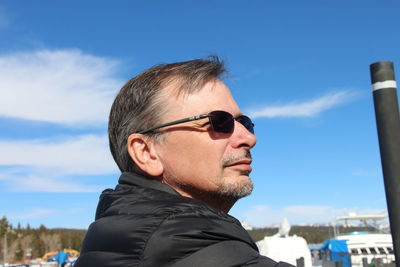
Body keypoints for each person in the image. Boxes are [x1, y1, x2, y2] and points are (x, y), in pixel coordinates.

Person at [75, 57, 294, 267]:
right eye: (219, 122)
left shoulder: (122, 241)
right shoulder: (185, 250)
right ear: (147, 152)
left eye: (245, 122)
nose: (249, 138)